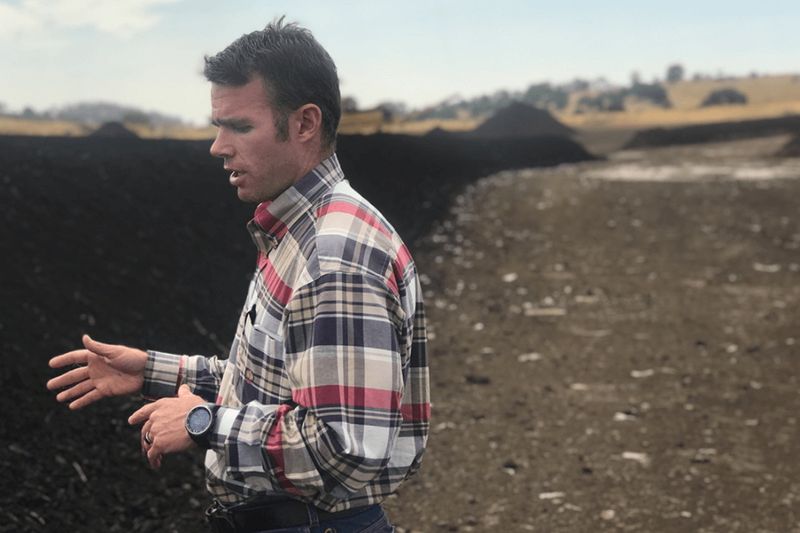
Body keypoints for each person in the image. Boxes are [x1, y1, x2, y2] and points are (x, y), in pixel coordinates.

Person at [46, 18, 430, 533]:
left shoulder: (335, 256)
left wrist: (203, 422)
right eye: (217, 126)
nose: (218, 147)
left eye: (240, 127)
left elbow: (346, 446)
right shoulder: (297, 231)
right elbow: (274, 388)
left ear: (305, 123)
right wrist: (151, 371)